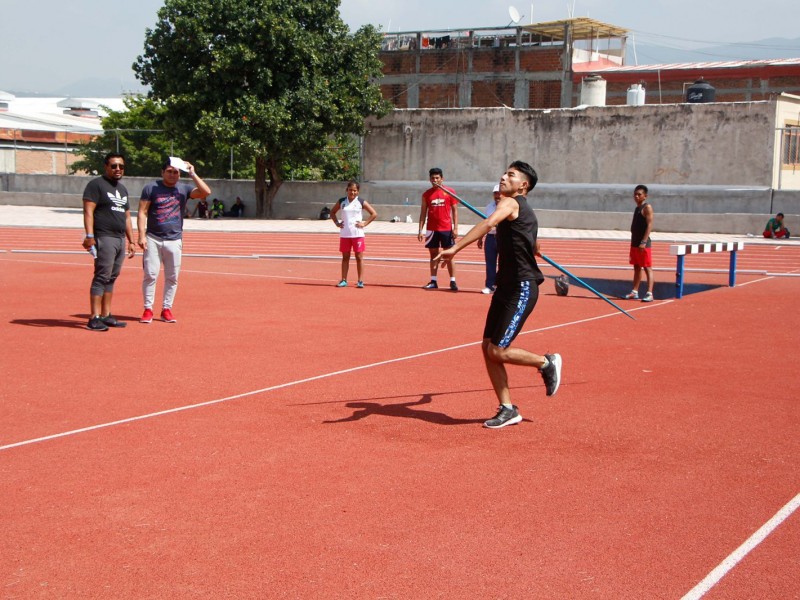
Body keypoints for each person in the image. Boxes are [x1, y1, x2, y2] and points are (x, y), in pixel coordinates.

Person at [434, 161, 562, 429]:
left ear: (523, 185)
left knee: (498, 350)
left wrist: (455, 248)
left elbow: (489, 222)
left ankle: (545, 362)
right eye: (504, 173)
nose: (504, 177)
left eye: (511, 175)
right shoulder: (521, 210)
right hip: (505, 286)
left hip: (522, 286)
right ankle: (507, 408)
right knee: (487, 348)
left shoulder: (511, 203)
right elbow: (533, 242)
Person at [137, 157, 211, 323]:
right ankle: (148, 309)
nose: (172, 175)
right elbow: (142, 212)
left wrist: (192, 173)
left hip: (174, 239)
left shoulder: (183, 189)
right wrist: (141, 235)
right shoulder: (151, 188)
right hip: (153, 238)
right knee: (150, 275)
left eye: (176, 172)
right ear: (162, 172)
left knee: (172, 277)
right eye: (169, 172)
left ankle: (166, 309)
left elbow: (206, 192)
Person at [81, 153, 137, 331]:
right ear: (106, 167)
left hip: (120, 238)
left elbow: (127, 216)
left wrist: (131, 241)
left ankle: (106, 315)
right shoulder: (96, 185)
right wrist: (90, 235)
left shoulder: (122, 189)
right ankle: (94, 317)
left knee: (112, 277)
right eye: (114, 166)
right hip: (104, 236)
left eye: (121, 166)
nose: (118, 169)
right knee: (101, 277)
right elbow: (88, 212)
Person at [330, 180, 377, 288]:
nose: (352, 192)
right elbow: (332, 212)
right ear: (347, 190)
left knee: (359, 257)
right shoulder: (342, 201)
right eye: (350, 190)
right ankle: (343, 280)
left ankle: (360, 280)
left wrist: (364, 223)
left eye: (355, 190)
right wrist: (337, 223)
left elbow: (374, 213)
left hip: (357, 234)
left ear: (358, 191)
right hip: (345, 234)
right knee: (345, 257)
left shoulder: (360, 202)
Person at [418, 167, 459, 291]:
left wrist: (455, 228)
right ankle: (433, 280)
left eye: (437, 178)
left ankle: (453, 281)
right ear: (429, 179)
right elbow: (423, 213)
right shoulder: (426, 194)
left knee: (449, 255)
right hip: (432, 230)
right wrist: (420, 230)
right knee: (433, 255)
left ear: (442, 179)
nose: (435, 180)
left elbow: (455, 211)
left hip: (446, 229)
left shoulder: (450, 192)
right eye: (432, 178)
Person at [624, 184, 655, 302]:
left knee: (647, 267)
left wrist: (644, 241)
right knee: (636, 267)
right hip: (635, 242)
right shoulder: (637, 208)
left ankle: (649, 293)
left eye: (639, 194)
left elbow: (649, 225)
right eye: (635, 194)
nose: (636, 196)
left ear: (645, 196)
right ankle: (634, 291)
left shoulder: (647, 208)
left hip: (643, 244)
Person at [477, 184, 501, 294]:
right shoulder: (489, 207)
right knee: (490, 263)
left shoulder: (507, 207)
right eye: (495, 193)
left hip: (503, 238)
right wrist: (480, 237)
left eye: (499, 193)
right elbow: (485, 223)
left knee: (504, 263)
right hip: (491, 237)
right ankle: (489, 285)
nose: (497, 195)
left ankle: (500, 285)